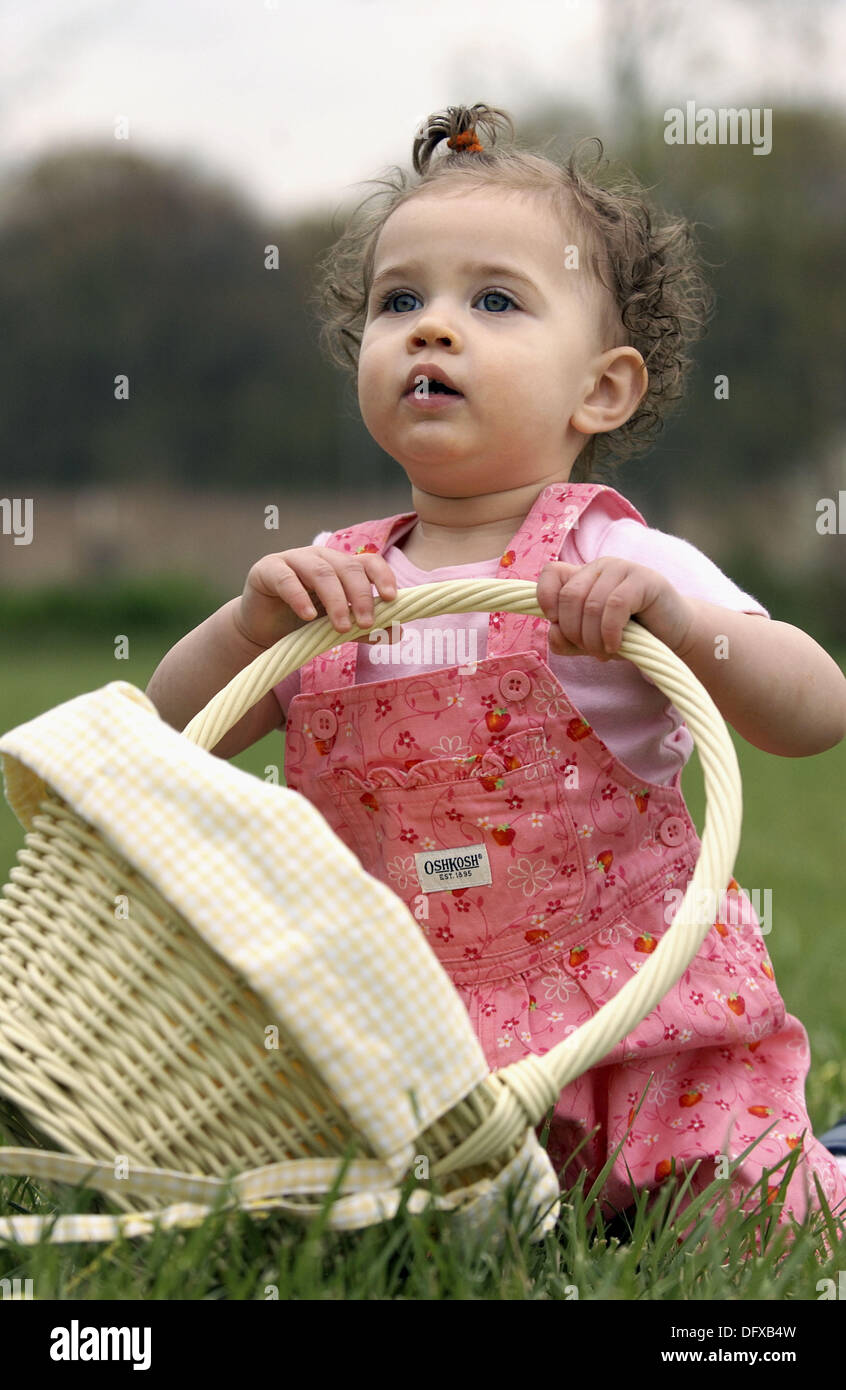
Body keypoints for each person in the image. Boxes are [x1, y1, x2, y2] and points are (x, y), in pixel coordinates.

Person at [146, 103, 846, 1238]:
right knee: (365, 1236)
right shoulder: (335, 583)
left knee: (743, 1216)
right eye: (399, 302)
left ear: (601, 390)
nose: (432, 329)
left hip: (642, 1033)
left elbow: (815, 709)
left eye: (495, 302)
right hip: (415, 1056)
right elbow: (174, 740)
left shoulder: (613, 558)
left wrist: (675, 624)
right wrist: (244, 627)